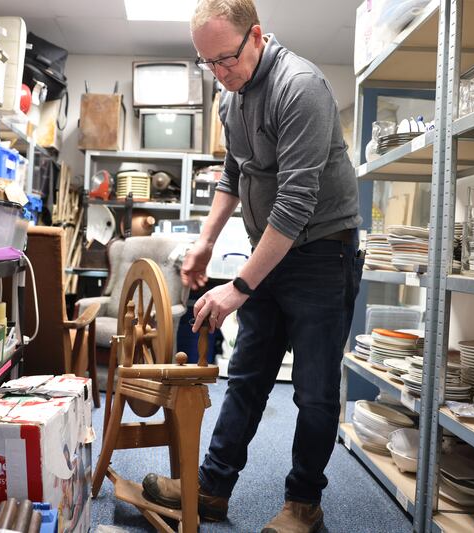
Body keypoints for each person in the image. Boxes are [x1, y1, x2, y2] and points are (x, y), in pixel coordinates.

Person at [140, 1, 363, 532]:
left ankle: (303, 505)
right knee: (246, 378)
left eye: (225, 59)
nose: (219, 73)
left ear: (257, 37)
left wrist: (238, 286)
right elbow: (233, 173)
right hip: (274, 249)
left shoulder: (300, 87)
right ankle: (212, 489)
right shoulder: (230, 97)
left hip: (321, 254)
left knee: (312, 392)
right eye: (207, 64)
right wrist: (205, 242)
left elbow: (295, 203)